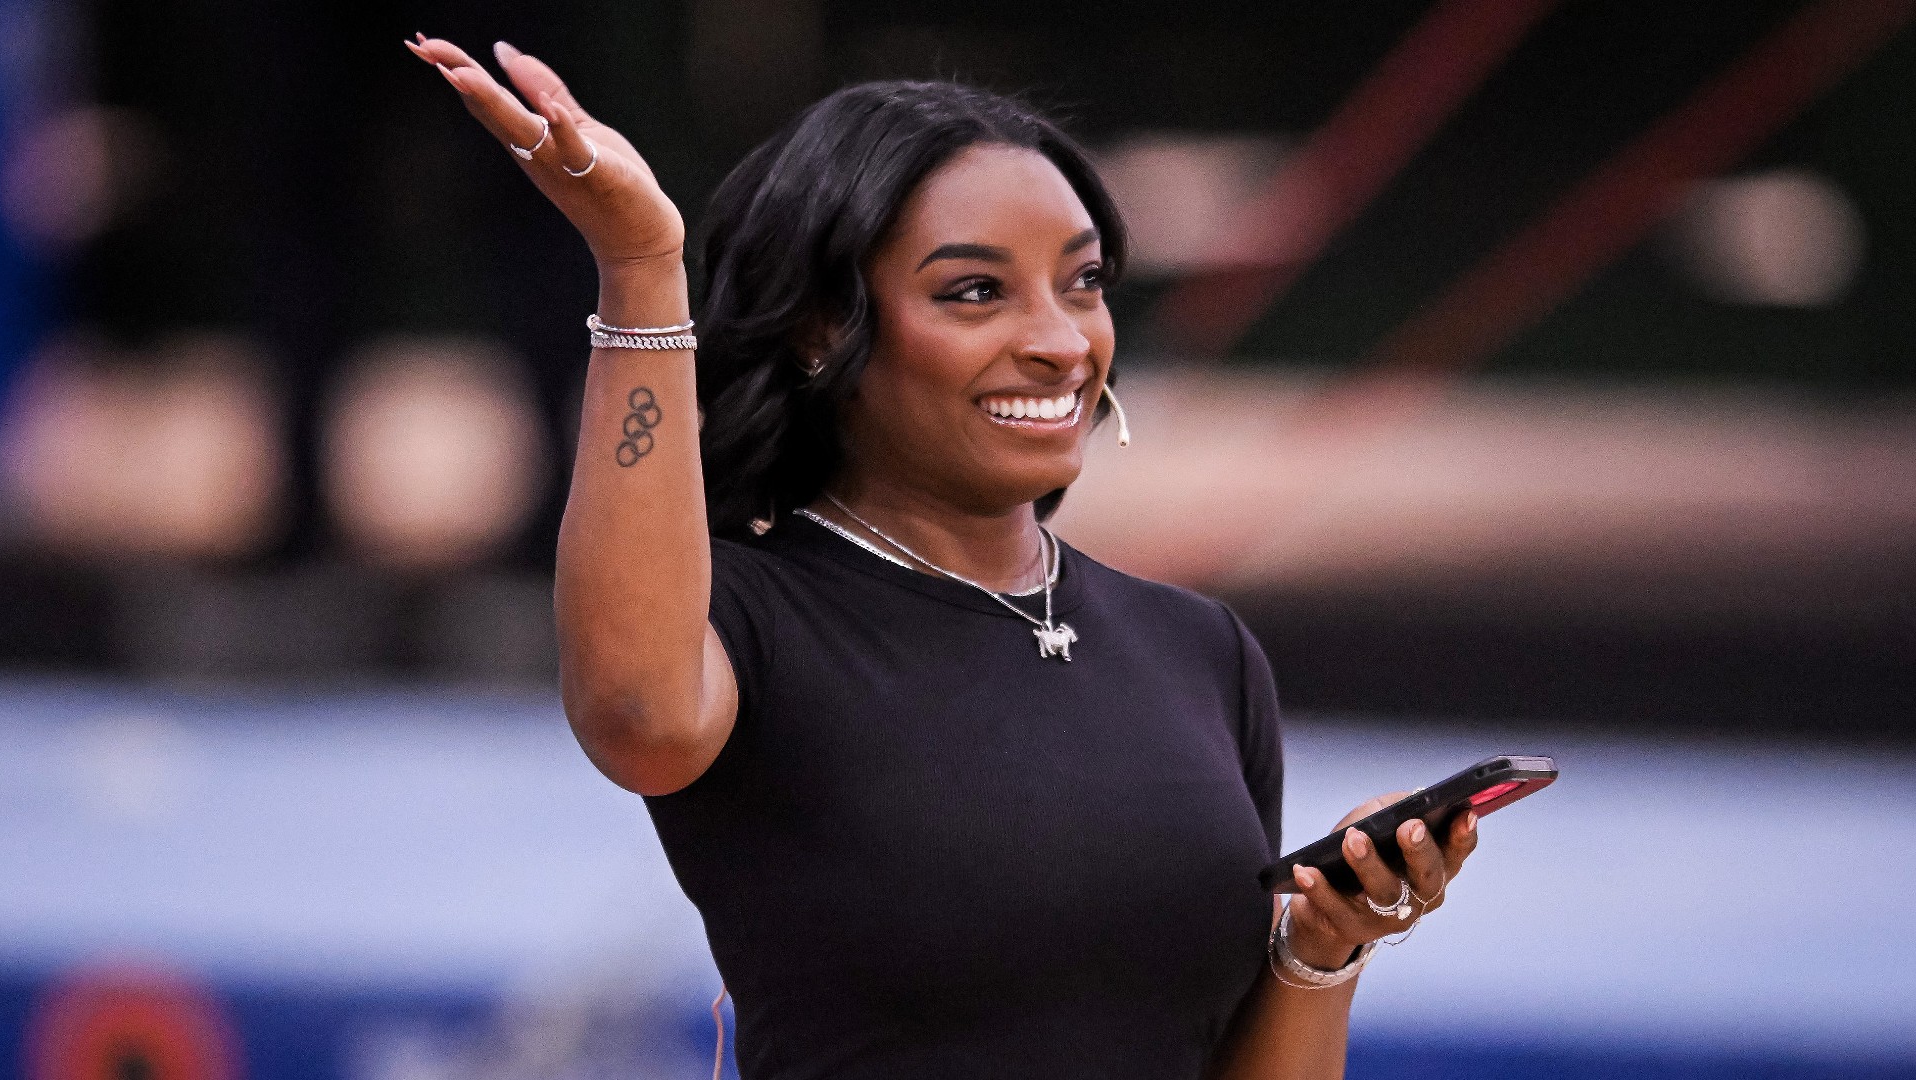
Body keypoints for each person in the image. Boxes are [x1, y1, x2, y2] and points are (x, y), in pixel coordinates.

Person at [407, 34, 1481, 1080]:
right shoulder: (751, 620)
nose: (1061, 341)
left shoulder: (1203, 651)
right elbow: (637, 720)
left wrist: (1322, 946)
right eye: (976, 291)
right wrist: (642, 268)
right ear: (825, 328)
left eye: (1085, 280)